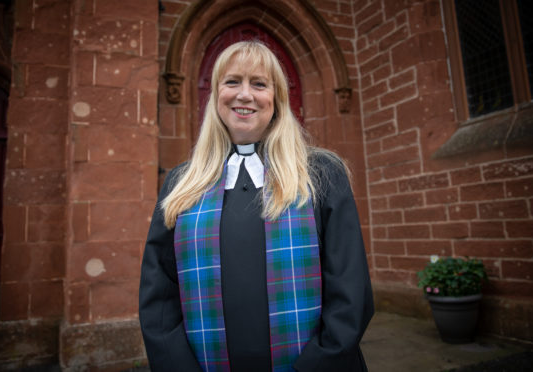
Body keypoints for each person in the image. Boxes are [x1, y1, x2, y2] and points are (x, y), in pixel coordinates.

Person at [139, 41, 374, 372]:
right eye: (232, 81)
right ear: (216, 95)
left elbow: (350, 294)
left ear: (276, 99)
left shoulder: (320, 175)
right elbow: (159, 299)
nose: (244, 95)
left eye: (259, 84)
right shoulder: (181, 183)